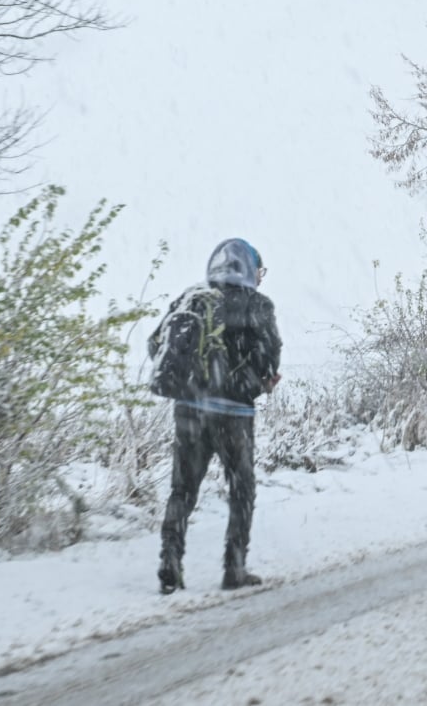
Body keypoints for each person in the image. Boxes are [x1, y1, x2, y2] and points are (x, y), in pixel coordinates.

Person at [150, 237, 282, 594]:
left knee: (182, 490)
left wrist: (197, 380)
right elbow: (270, 363)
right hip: (234, 416)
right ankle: (234, 567)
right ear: (249, 269)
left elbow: (154, 346)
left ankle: (170, 560)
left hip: (190, 411)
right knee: (241, 489)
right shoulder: (259, 306)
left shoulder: (192, 299)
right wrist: (256, 381)